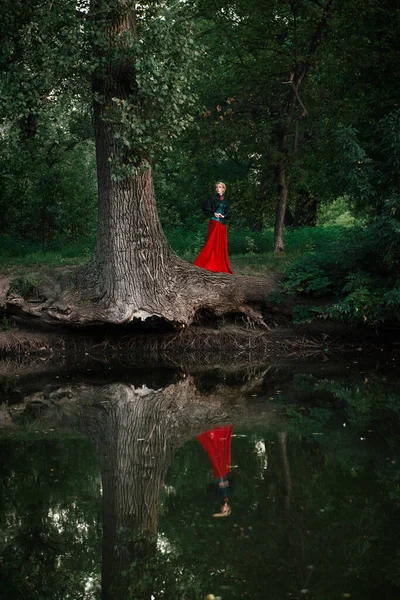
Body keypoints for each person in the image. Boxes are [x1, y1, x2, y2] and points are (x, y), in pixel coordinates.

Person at [194, 182, 233, 274]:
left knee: (221, 244)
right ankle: (208, 263)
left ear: (223, 189)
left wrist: (224, 216)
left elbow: (229, 212)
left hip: (222, 224)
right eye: (216, 187)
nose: (218, 189)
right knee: (212, 242)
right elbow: (205, 208)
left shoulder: (226, 201)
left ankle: (220, 265)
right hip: (214, 222)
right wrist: (214, 213)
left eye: (220, 187)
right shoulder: (213, 199)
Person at [197, 425, 234, 517]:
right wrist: (227, 483)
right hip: (225, 473)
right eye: (226, 511)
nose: (224, 509)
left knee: (214, 456)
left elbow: (209, 489)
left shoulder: (217, 499)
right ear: (228, 508)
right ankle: (220, 434)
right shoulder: (230, 495)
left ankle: (210, 437)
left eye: (223, 511)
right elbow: (233, 482)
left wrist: (218, 485)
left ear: (221, 509)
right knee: (223, 453)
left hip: (218, 475)